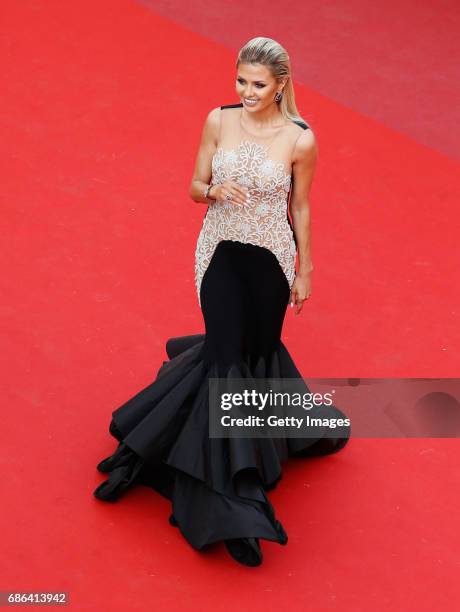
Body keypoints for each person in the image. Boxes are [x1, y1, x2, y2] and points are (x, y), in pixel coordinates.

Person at [93, 36, 351, 567]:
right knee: (224, 359)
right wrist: (213, 193)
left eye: (259, 84)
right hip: (220, 254)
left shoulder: (301, 139)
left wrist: (305, 268)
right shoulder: (218, 119)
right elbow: (193, 184)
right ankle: (232, 503)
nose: (248, 92)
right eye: (241, 81)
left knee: (256, 350)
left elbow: (300, 207)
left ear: (281, 84)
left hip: (272, 262)